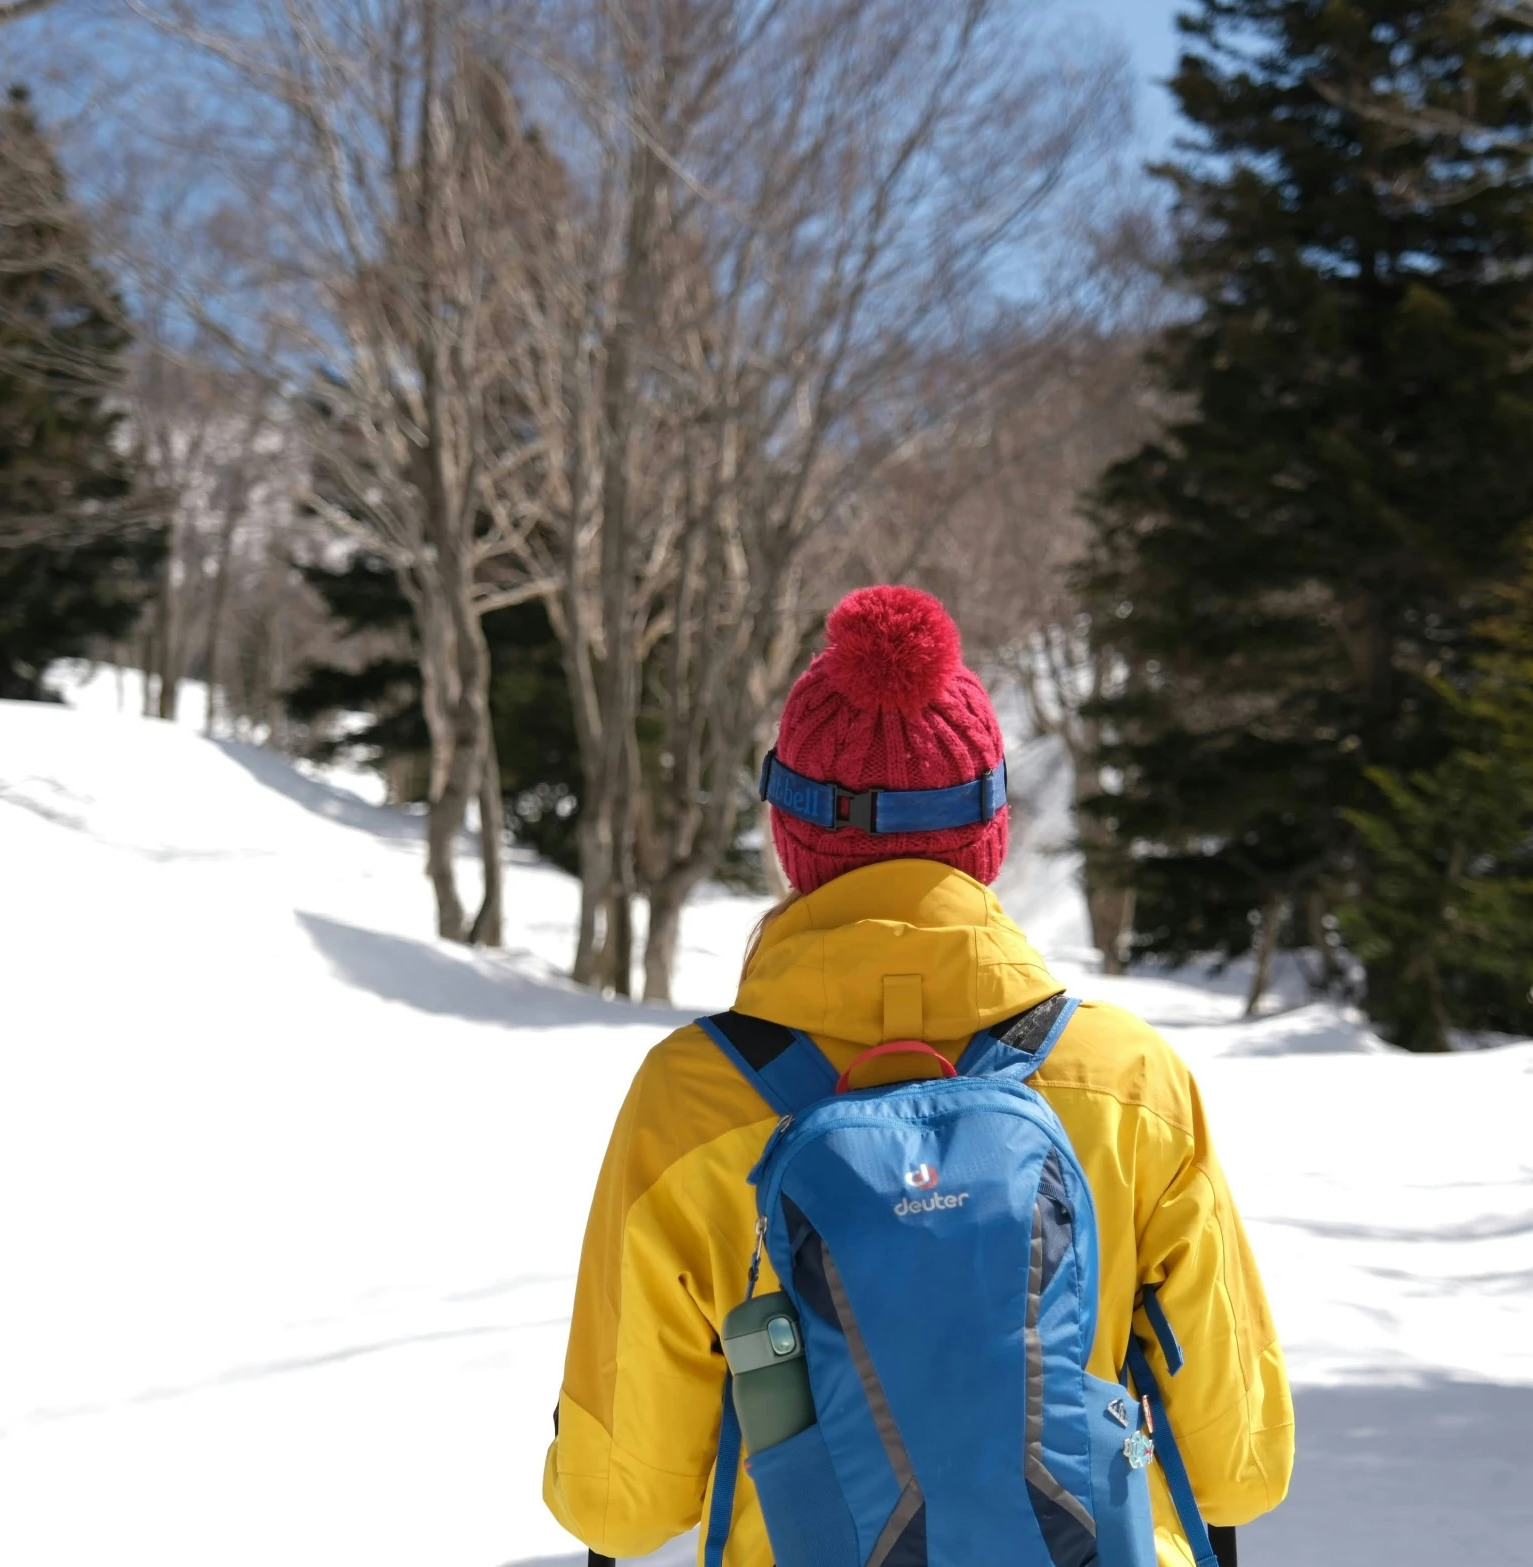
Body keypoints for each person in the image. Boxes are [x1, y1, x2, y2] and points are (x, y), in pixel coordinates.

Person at [542, 585, 1292, 1567]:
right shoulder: (1126, 1079)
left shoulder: (687, 1103)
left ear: (789, 836)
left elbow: (620, 1502)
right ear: (989, 831)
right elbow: (1241, 1466)